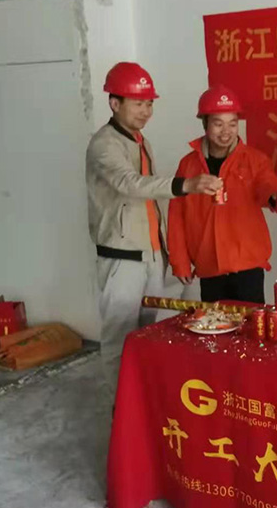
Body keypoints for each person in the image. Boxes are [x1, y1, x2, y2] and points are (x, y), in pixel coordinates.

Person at [86, 62, 221, 357]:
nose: (146, 111)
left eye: (149, 104)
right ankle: (117, 391)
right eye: (138, 103)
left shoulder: (141, 142)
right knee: (119, 338)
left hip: (151, 255)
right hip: (122, 258)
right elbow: (130, 183)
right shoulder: (105, 144)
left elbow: (149, 198)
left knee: (147, 336)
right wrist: (185, 185)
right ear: (114, 103)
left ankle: (138, 389)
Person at [168, 85, 277, 303]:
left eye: (232, 123)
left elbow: (268, 186)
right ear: (205, 124)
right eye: (218, 124)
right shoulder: (188, 165)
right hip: (209, 267)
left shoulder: (254, 160)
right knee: (213, 323)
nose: (226, 131)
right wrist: (180, 262)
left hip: (248, 266)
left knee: (250, 324)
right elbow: (176, 217)